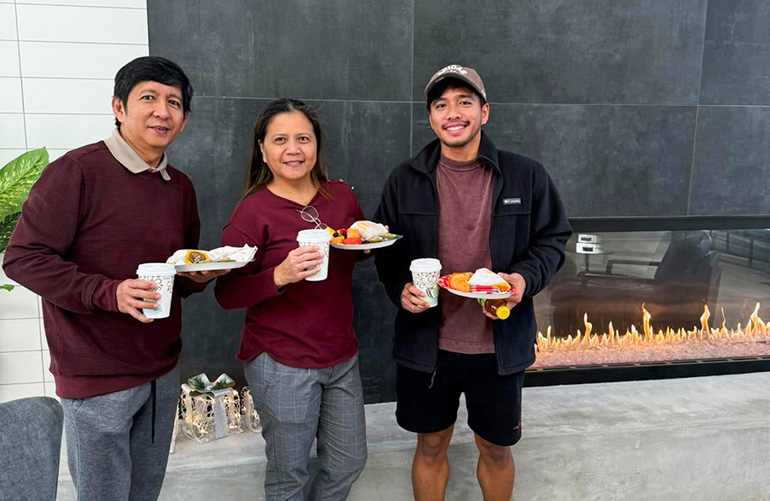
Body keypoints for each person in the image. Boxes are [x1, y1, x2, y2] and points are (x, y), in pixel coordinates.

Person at [2, 56, 227, 501]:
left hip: (161, 370)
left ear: (184, 119)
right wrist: (110, 293)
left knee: (144, 492)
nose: (162, 111)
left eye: (174, 102)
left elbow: (176, 273)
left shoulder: (179, 186)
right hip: (96, 374)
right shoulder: (76, 171)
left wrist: (199, 275)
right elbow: (23, 257)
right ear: (118, 107)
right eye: (149, 98)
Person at [374, 64, 572, 500]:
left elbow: (553, 239)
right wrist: (399, 288)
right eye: (441, 105)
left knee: (496, 449)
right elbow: (387, 249)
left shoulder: (526, 175)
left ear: (484, 112)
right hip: (427, 344)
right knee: (430, 444)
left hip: (498, 343)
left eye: (464, 102)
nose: (453, 113)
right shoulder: (405, 179)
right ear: (431, 118)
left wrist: (523, 279)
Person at [214, 98, 368, 501]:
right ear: (263, 150)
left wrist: (365, 244)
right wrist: (279, 275)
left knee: (349, 461)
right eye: (280, 140)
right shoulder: (251, 213)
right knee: (289, 476)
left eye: (303, 138)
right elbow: (226, 293)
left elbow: (354, 247)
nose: (293, 149)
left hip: (340, 355)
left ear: (317, 145)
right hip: (280, 361)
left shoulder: (341, 197)